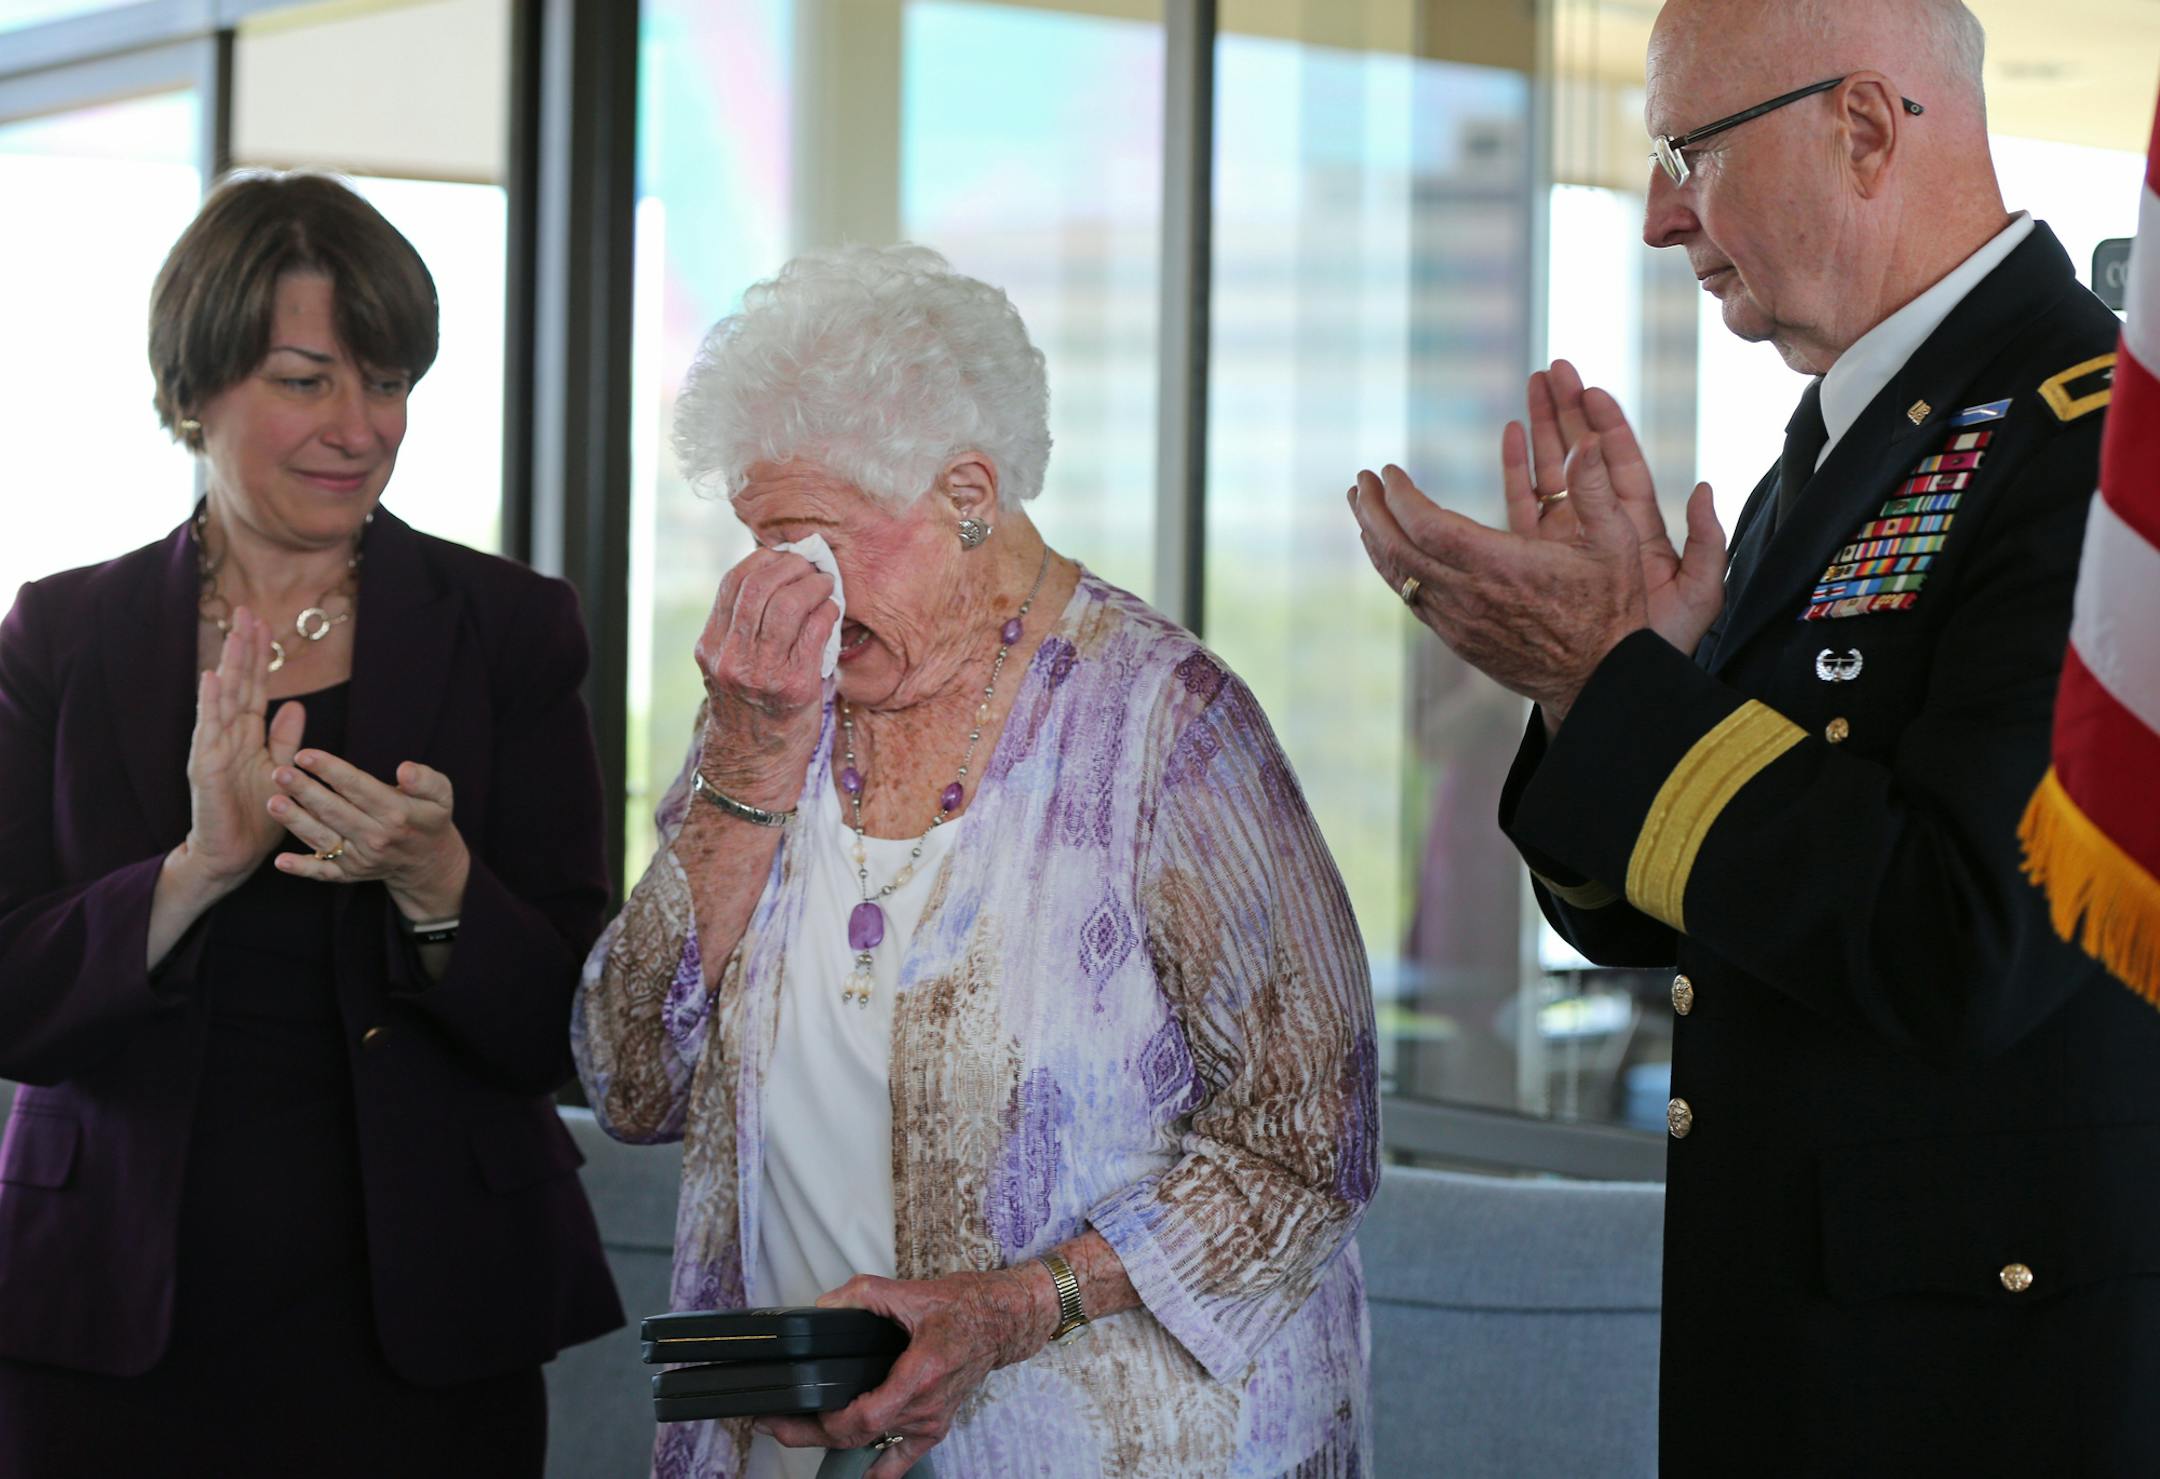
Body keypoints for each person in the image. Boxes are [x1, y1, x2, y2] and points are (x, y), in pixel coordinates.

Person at [1347, 1, 2157, 1473]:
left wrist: (1625, 693)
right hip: (1793, 1361)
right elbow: (1671, 921)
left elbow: (1966, 936)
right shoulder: (1856, 441)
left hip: (1981, 1395)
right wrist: (1595, 689)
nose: (1662, 216)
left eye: (1689, 150)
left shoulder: (2091, 444)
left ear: (1859, 126)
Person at [576, 244, 1376, 1479]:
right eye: (762, 548)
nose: (787, 593)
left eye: (817, 547)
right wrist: (745, 763)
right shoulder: (774, 708)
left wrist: (1010, 1307)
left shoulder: (1167, 729)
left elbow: (1307, 1139)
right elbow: (628, 1080)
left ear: (967, 495)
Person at [0, 171, 622, 1477]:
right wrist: (194, 869)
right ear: (193, 388)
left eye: (388, 381)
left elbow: (579, 1022)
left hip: (420, 1325)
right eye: (305, 380)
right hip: (108, 1316)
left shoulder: (511, 627)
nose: (361, 428)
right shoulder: (63, 634)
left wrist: (440, 879)